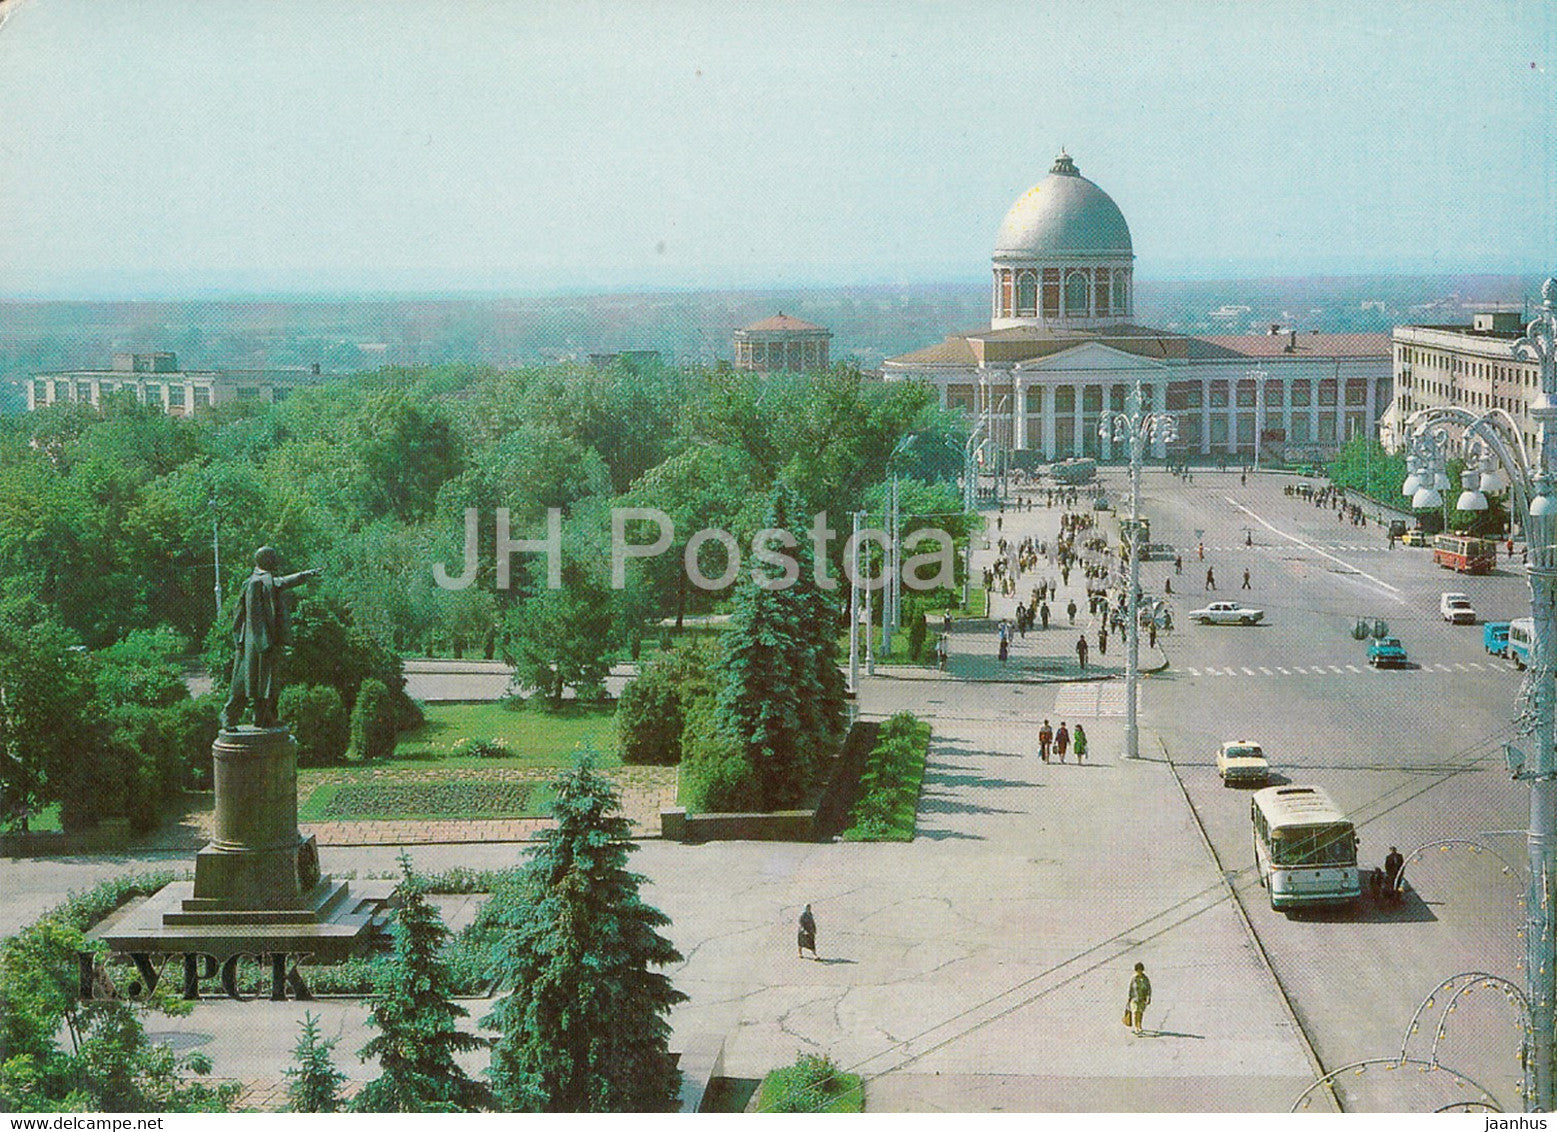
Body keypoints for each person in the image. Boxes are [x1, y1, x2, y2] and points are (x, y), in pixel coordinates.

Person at [222, 547, 322, 729]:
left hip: (264, 642)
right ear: (265, 560)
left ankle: (262, 718)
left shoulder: (265, 580)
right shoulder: (254, 583)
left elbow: (282, 582)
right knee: (244, 682)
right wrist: (263, 643)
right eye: (273, 557)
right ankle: (229, 718)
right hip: (257, 643)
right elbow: (254, 617)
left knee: (263, 682)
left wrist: (304, 575)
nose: (276, 559)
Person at [1126, 962, 1152, 1035]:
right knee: (1135, 1011)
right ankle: (1136, 1027)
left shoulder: (1145, 979)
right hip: (1134, 998)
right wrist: (1129, 998)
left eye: (1140, 970)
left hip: (1142, 998)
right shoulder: (1134, 979)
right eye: (1137, 970)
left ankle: (1139, 1025)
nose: (1139, 971)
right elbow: (1131, 988)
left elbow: (1149, 989)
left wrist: (1149, 997)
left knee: (1140, 1013)